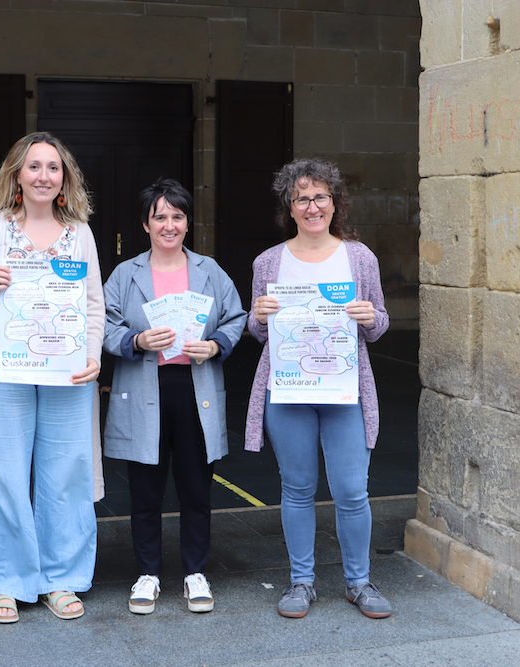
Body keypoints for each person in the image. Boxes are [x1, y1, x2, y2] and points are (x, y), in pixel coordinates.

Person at [0, 131, 103, 624]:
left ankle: (61, 579)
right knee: (7, 474)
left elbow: (94, 305)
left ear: (65, 178)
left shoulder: (79, 232)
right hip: (5, 364)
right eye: (34, 166)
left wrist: (93, 356)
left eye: (53, 167)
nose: (44, 175)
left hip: (68, 369)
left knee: (66, 473)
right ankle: (7, 581)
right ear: (17, 175)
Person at [245, 159, 391, 619]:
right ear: (289, 207)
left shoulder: (359, 257)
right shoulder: (268, 261)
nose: (312, 207)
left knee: (352, 490)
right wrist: (258, 317)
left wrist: (371, 317)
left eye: (320, 197)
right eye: (302, 198)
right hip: (289, 391)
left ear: (335, 202)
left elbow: (380, 324)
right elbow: (258, 330)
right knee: (297, 488)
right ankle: (301, 581)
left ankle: (359, 582)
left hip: (344, 392)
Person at [103, 178, 246, 615]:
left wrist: (216, 345)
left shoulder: (209, 270)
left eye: (177, 216)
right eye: (160, 216)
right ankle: (147, 573)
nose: (169, 225)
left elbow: (236, 316)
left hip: (195, 388)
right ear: (145, 224)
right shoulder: (125, 274)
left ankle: (194, 572)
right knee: (145, 490)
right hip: (143, 387)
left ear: (187, 222)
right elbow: (102, 324)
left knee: (196, 487)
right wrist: (136, 340)